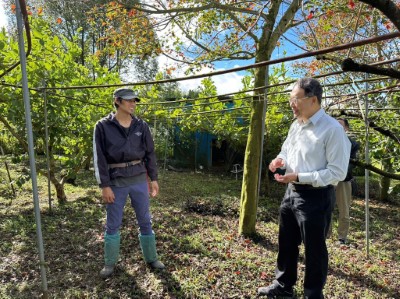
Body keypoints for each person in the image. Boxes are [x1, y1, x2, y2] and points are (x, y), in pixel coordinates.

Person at [257, 78, 351, 299]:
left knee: (314, 249)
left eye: (295, 99)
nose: (292, 103)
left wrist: (299, 175)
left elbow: (337, 172)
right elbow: (287, 151)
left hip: (317, 196)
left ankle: (313, 294)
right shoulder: (296, 125)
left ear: (314, 100)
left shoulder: (332, 130)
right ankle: (283, 286)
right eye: (291, 98)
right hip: (292, 192)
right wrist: (279, 161)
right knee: (286, 242)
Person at [93, 88, 164, 279]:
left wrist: (153, 179)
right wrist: (104, 185)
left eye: (134, 101)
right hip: (116, 182)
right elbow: (99, 157)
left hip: (139, 179)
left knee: (145, 220)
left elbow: (150, 153)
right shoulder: (102, 126)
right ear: (117, 101)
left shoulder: (141, 126)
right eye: (129, 100)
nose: (133, 104)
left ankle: (151, 258)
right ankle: (110, 263)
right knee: (113, 224)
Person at [333, 118, 360, 245]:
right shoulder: (329, 141)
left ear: (346, 128)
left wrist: (338, 173)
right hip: (328, 180)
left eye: (340, 124)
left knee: (344, 210)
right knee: (325, 207)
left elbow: (351, 165)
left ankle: (342, 237)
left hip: (343, 180)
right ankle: (325, 233)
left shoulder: (353, 144)